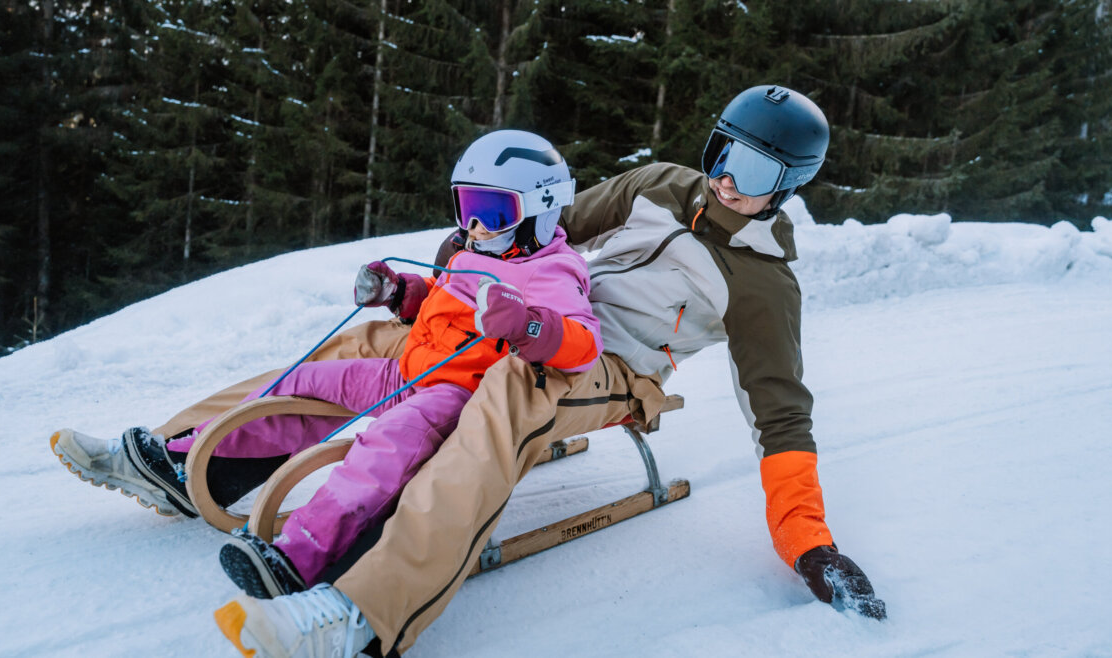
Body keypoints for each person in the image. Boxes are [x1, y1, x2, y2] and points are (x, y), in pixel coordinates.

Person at [54, 86, 885, 658]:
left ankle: (361, 615)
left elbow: (782, 420)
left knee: (503, 401)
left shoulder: (764, 285)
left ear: (790, 188)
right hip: (527, 310)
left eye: (761, 174)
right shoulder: (659, 185)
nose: (732, 181)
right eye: (726, 154)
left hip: (608, 366)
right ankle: (183, 457)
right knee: (379, 348)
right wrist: (463, 262)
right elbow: (556, 225)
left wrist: (810, 544)